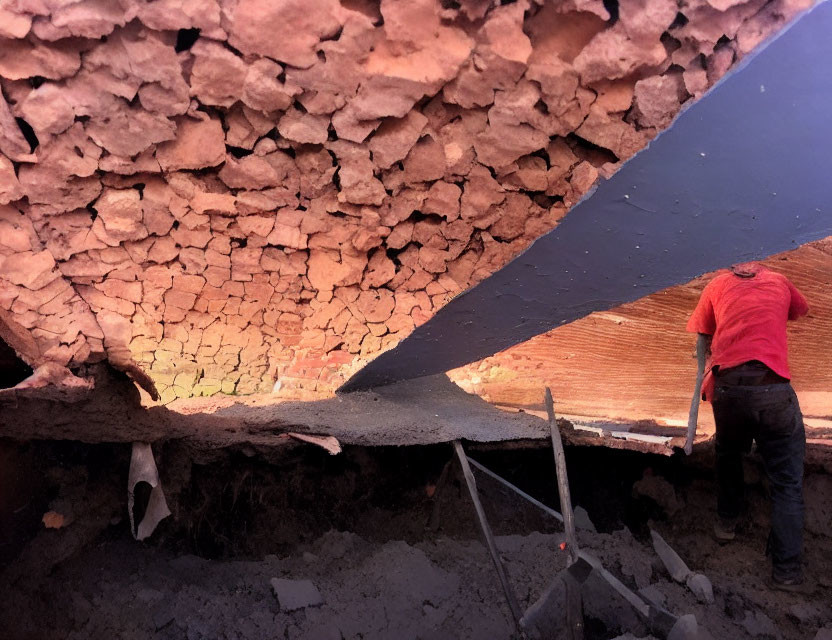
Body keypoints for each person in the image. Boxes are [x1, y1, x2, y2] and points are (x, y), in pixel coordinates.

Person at [686, 261, 809, 589]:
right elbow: (799, 310)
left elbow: (702, 333)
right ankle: (787, 572)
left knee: (728, 452)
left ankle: (726, 523)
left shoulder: (716, 284)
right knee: (787, 481)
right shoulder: (780, 280)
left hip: (729, 387)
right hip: (773, 386)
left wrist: (705, 369)